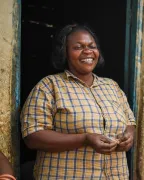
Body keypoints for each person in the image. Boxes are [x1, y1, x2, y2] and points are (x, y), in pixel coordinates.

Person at [20, 24, 136, 179]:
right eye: (78, 47)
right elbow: (32, 136)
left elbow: (129, 121)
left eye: (91, 46)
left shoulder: (111, 86)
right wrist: (85, 139)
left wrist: (128, 135)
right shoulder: (49, 86)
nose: (87, 51)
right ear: (65, 53)